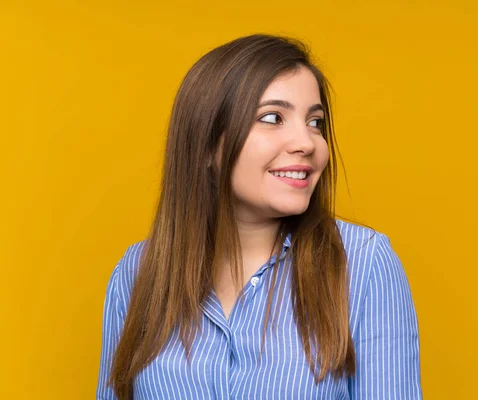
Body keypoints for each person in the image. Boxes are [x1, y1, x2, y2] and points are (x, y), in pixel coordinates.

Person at [97, 33, 423, 399]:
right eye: (273, 117)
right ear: (206, 143)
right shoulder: (138, 272)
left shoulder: (364, 265)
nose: (306, 142)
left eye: (315, 122)